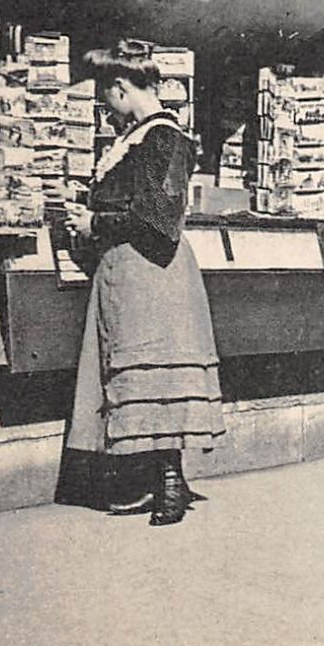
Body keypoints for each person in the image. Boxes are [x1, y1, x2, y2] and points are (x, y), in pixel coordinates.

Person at [63, 41, 223, 527]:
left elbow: (158, 219)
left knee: (154, 374)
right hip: (131, 274)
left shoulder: (164, 138)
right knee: (139, 376)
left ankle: (168, 483)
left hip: (150, 273)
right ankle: (152, 483)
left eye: (105, 94)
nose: (104, 105)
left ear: (119, 88)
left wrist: (95, 223)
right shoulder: (142, 138)